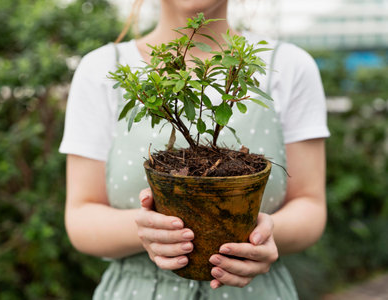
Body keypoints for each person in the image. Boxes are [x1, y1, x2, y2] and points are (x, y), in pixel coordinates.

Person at [59, 0, 330, 299]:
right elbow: (80, 216)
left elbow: (310, 205)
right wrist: (145, 230)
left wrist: (264, 235)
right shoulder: (102, 69)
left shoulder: (288, 65)